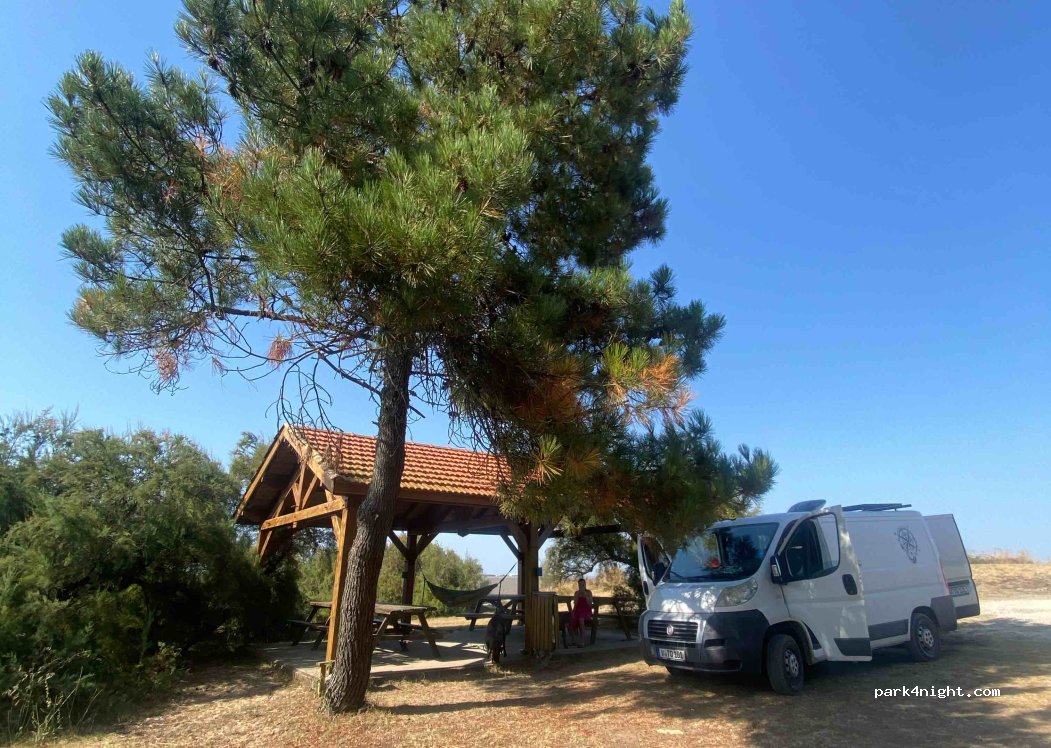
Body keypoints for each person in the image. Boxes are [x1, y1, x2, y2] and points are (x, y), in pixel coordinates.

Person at [568, 578, 594, 647]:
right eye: (580, 585)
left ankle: (582, 641)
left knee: (581, 619)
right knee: (570, 620)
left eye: (583, 585)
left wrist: (585, 595)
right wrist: (577, 595)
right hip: (577, 610)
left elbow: (590, 604)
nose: (582, 586)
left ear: (585, 585)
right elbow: (575, 604)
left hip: (586, 611)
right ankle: (573, 640)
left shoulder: (588, 592)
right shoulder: (576, 593)